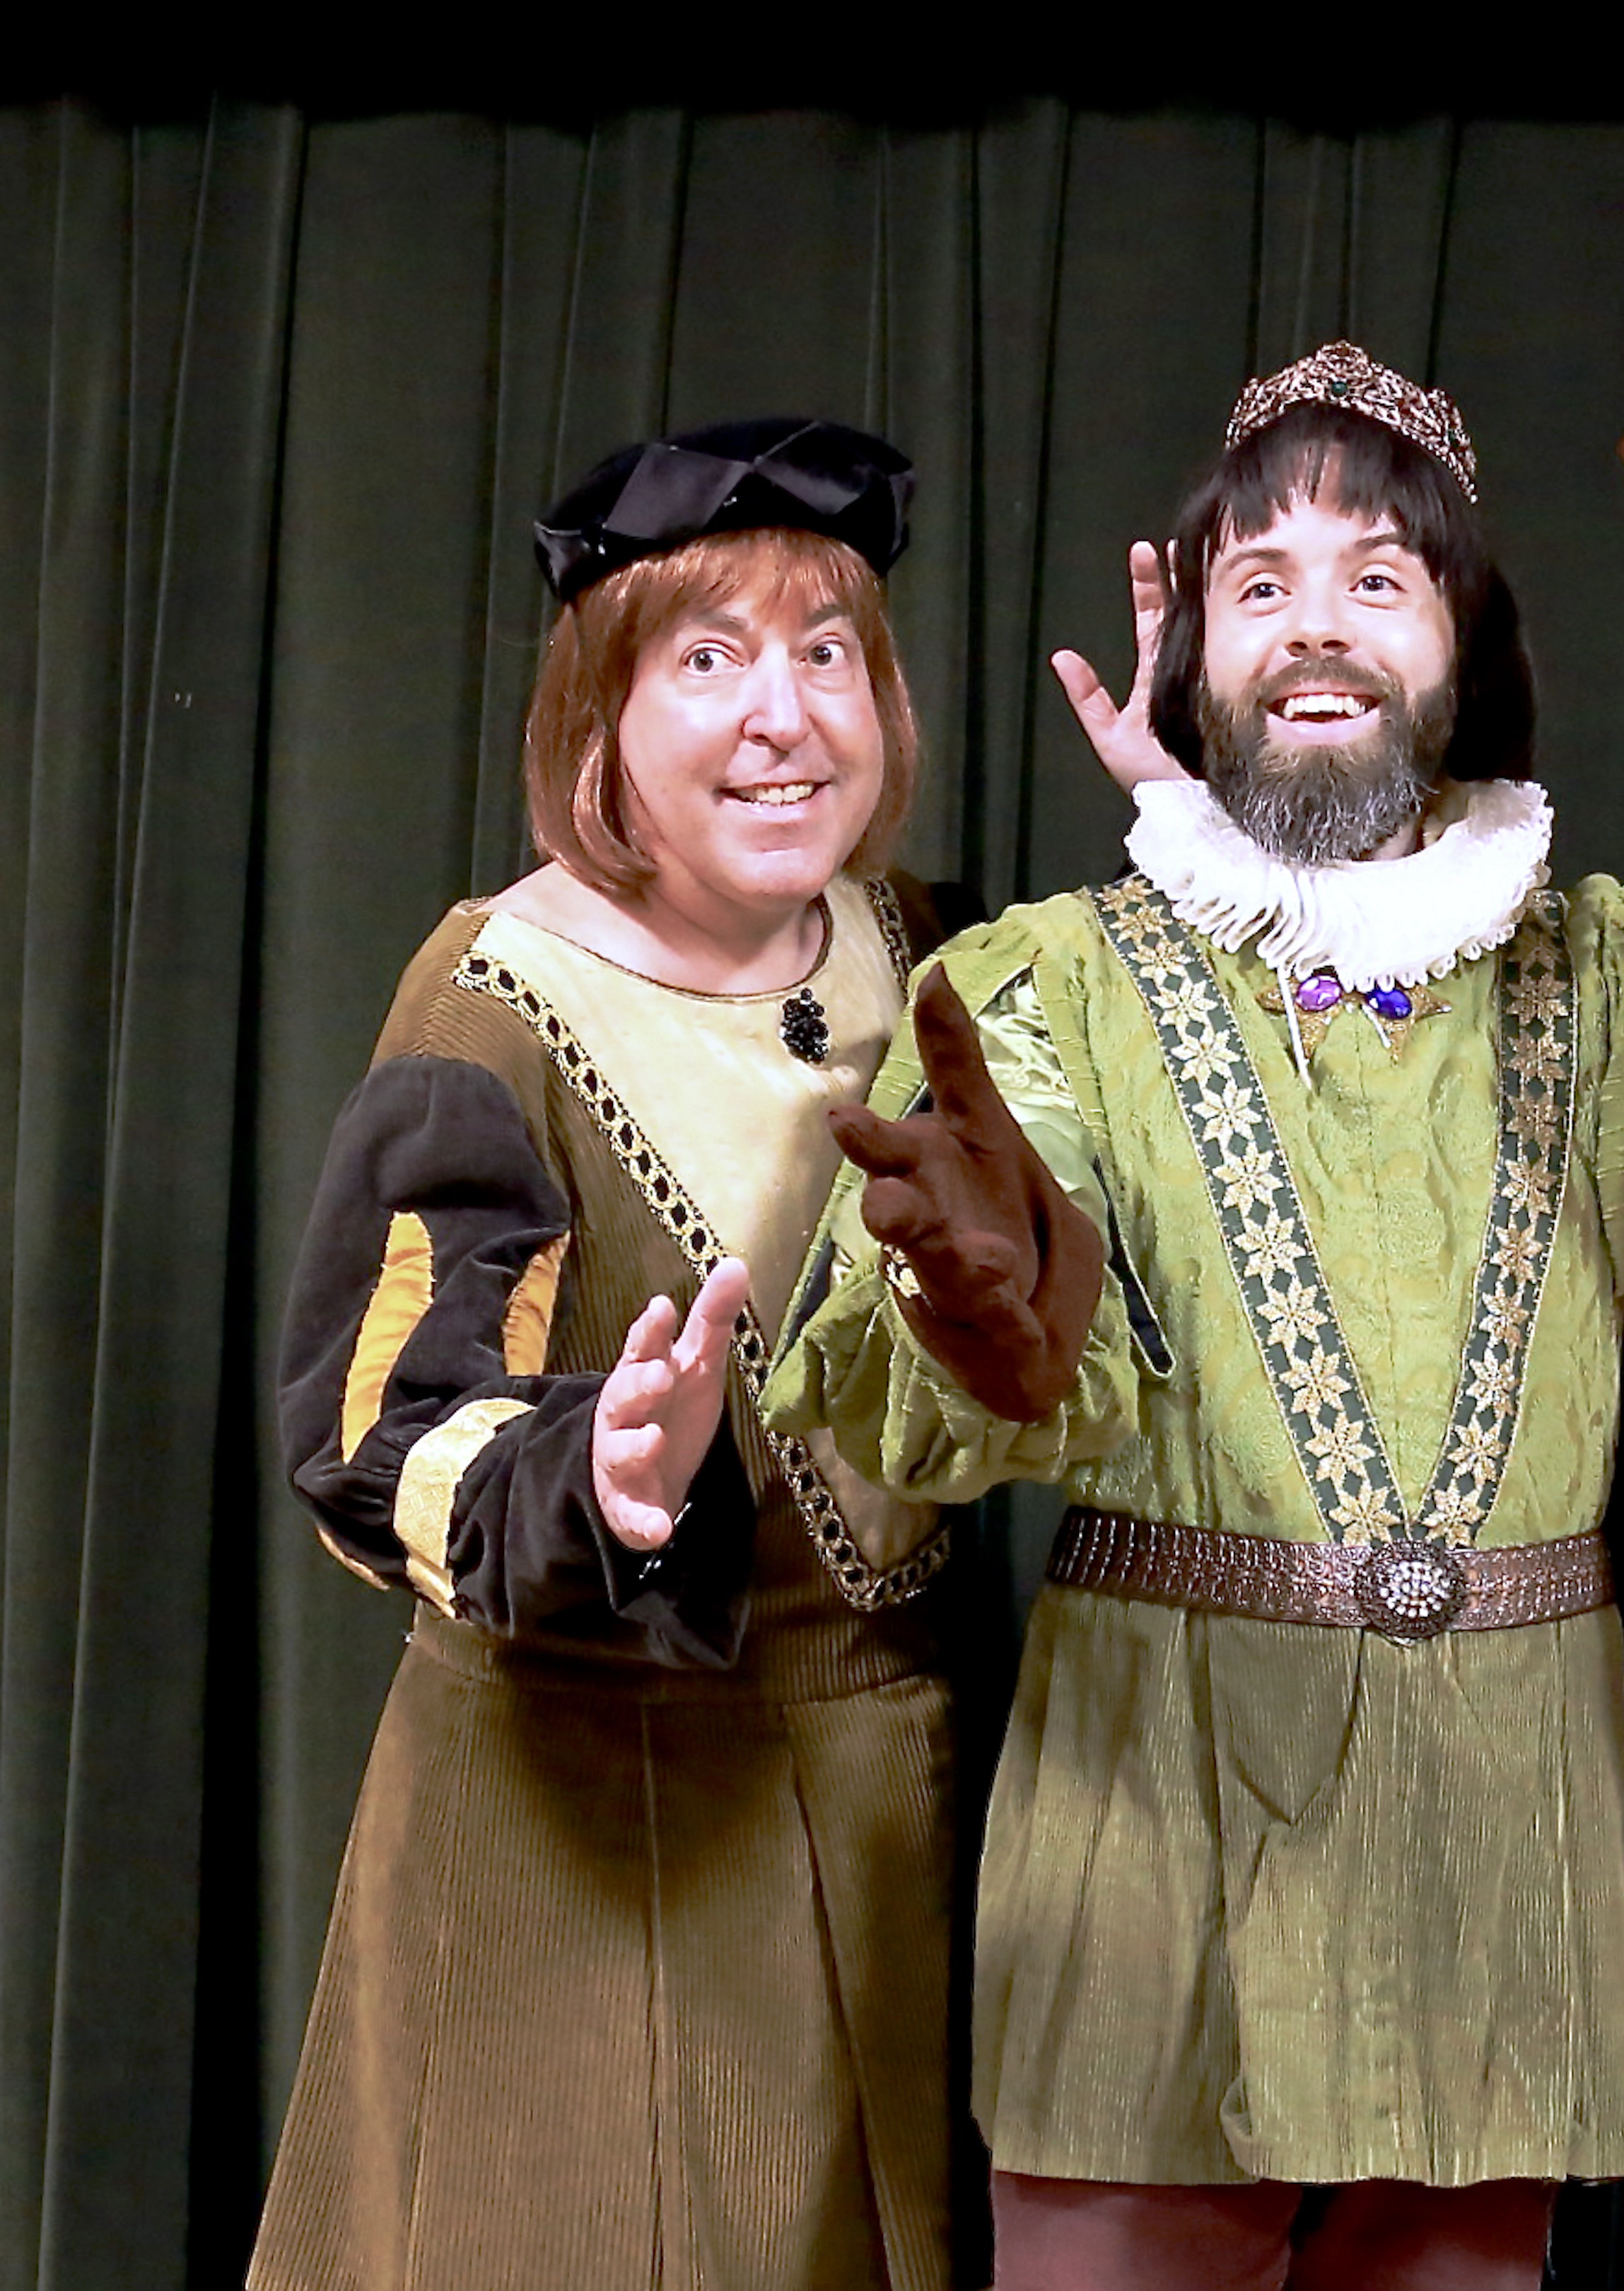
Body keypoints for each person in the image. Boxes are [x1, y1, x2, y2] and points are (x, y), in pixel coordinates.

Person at [767, 251, 1624, 2290]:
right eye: (1259, 583)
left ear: (1464, 650)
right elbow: (991, 1330)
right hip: (1158, 1834)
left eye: (1379, 578)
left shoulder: (1602, 981)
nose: (1315, 621)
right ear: (1195, 662)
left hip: (1493, 1847)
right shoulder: (1041, 987)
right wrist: (998, 1301)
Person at [259, 420, 964, 2290]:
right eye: (708, 656)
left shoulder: (938, 959)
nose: (783, 716)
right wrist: (603, 1476)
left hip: (892, 1817)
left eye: (826, 652)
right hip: (590, 1839)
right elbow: (373, 1423)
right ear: (599, 717)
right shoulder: (495, 1006)